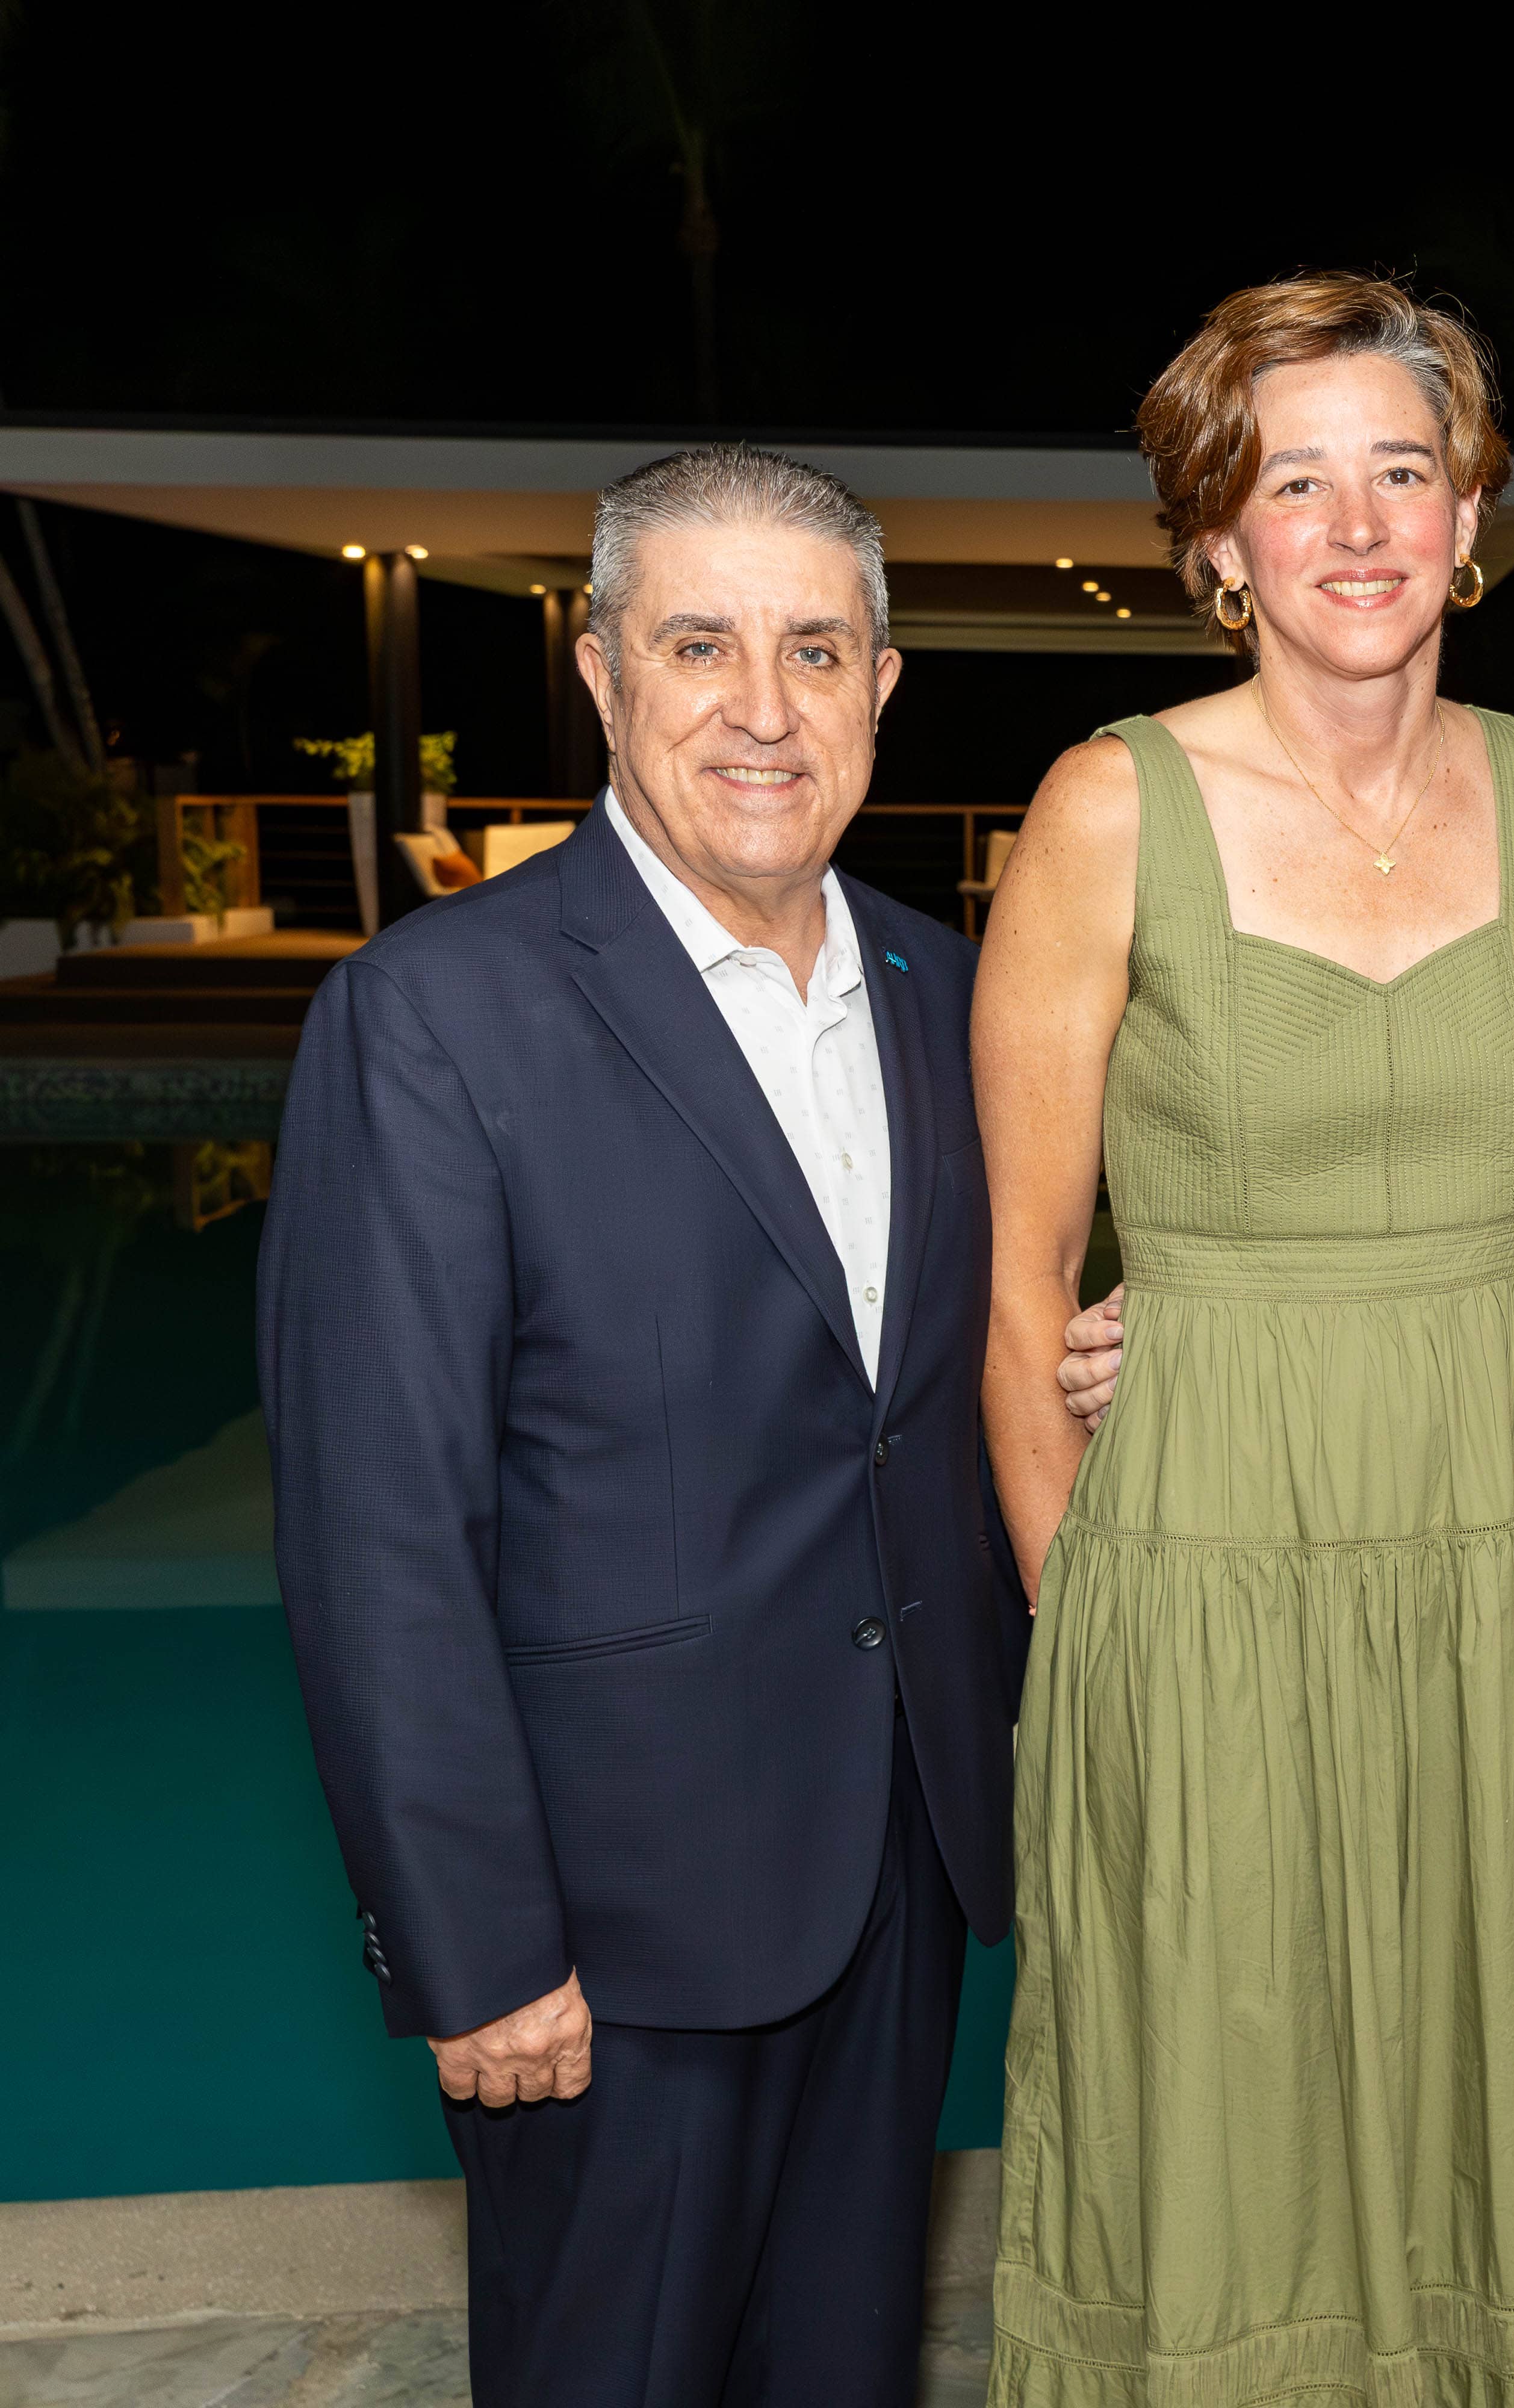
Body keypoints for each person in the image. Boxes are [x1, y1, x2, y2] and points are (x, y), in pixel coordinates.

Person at [970, 275, 1514, 2403]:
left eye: (1404, 470)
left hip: (1506, 1550)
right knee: (1223, 2126)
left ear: (1471, 515)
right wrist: (1084, 1645)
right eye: (1298, 482)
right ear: (1217, 544)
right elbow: (1017, 1303)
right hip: (1202, 1566)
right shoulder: (1105, 811)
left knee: (1507, 2084)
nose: (1359, 523)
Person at [259, 444, 1022, 2405]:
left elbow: (909, 1393)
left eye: (815, 651)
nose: (764, 710)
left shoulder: (951, 992)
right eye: (700, 646)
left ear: (883, 686)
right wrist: (477, 1940)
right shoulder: (435, 1017)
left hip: (894, 1874)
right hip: (608, 1933)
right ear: (601, 672)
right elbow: (380, 1528)